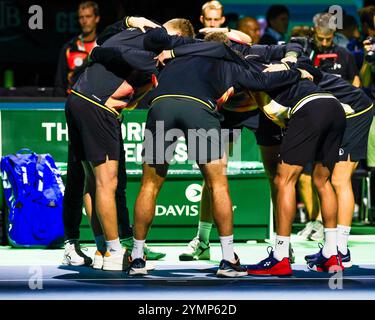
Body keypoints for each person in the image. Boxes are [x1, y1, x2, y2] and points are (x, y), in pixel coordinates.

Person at [127, 36, 310, 277]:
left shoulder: (174, 56)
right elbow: (264, 79)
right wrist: (297, 73)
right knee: (217, 184)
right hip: (198, 109)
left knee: (149, 185)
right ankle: (228, 259)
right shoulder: (228, 62)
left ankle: (137, 258)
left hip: (162, 105)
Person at [62, 16, 166, 267]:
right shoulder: (146, 51)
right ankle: (114, 252)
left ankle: (101, 250)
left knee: (93, 182)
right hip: (97, 107)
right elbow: (101, 49)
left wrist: (130, 20)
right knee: (107, 183)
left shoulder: (126, 38)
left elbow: (103, 42)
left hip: (77, 98)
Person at [54, 1, 100, 97]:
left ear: (97, 18)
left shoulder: (103, 46)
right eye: (81, 17)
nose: (84, 21)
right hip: (73, 101)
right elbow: (60, 85)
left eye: (88, 16)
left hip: (97, 103)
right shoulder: (69, 48)